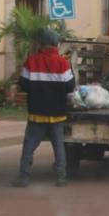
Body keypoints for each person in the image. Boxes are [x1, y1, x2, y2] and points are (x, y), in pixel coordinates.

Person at [11, 28, 75, 187]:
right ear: (55, 44)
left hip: (36, 113)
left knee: (29, 146)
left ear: (42, 44)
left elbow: (24, 84)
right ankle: (61, 177)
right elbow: (70, 86)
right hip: (57, 114)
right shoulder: (63, 63)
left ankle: (23, 177)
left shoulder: (31, 61)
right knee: (59, 146)